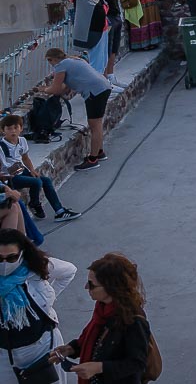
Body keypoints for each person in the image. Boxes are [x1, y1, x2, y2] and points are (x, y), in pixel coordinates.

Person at [50, 252, 151, 382]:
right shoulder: (102, 309)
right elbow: (94, 342)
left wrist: (99, 368)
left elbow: (137, 363)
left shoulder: (133, 319)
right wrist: (71, 349)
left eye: (92, 284)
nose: (86, 287)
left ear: (111, 288)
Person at [0, 229, 76, 384]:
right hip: (5, 356)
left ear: (22, 254)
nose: (4, 264)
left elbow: (69, 271)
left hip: (42, 349)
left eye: (11, 257)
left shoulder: (36, 267)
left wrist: (49, 298)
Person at [40, 48, 110, 172]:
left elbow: (55, 89)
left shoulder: (60, 66)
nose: (50, 64)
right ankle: (99, 152)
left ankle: (93, 160)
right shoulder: (74, 61)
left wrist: (43, 89)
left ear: (54, 59)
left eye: (49, 61)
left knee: (95, 125)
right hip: (103, 87)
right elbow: (65, 88)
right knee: (97, 123)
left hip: (94, 92)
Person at [0, 115, 80, 221]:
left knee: (45, 181)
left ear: (21, 128)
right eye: (9, 129)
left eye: (16, 128)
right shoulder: (1, 146)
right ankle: (34, 204)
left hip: (21, 171)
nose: (13, 131)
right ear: (2, 130)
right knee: (36, 182)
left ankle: (59, 211)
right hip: (10, 177)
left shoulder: (22, 141)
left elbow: (25, 158)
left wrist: (32, 170)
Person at [69, 0, 110, 78]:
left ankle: (105, 84)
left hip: (102, 29)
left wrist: (104, 7)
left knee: (103, 59)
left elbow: (104, 5)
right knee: (96, 62)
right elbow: (99, 9)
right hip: (93, 31)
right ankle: (97, 87)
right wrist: (103, 7)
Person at [91, 0, 122, 78]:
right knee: (107, 48)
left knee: (114, 46)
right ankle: (105, 78)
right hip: (106, 15)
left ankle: (111, 75)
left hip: (114, 12)